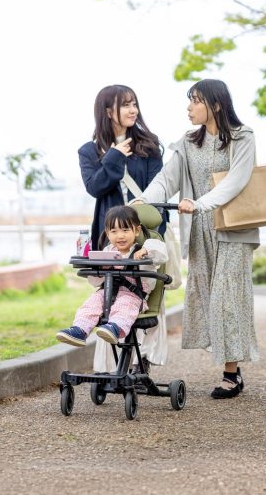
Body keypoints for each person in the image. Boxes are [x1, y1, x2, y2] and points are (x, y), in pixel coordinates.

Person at [133, 78, 260, 399]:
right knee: (206, 297)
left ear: (215, 104)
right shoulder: (189, 142)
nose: (189, 108)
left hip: (233, 230)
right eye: (190, 101)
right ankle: (230, 364)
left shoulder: (243, 137)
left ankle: (231, 374)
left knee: (227, 298)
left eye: (195, 101)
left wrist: (200, 203)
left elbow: (237, 180)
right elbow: (167, 179)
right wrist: (144, 200)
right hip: (200, 230)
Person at [78, 84, 169, 373]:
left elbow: (158, 190)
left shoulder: (149, 146)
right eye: (126, 105)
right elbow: (95, 188)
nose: (133, 110)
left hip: (146, 234)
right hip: (112, 238)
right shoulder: (89, 151)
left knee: (146, 295)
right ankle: (112, 365)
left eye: (134, 104)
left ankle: (143, 361)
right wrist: (114, 156)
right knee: (109, 296)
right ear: (108, 111)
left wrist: (153, 235)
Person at [57, 205, 168, 347]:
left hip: (133, 295)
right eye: (114, 231)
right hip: (107, 292)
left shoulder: (145, 248)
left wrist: (145, 251)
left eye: (125, 230)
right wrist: (100, 268)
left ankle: (116, 328)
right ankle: (80, 330)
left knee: (125, 305)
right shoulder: (107, 251)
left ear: (137, 230)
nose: (120, 236)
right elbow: (95, 282)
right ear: (108, 233)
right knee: (92, 303)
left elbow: (161, 252)